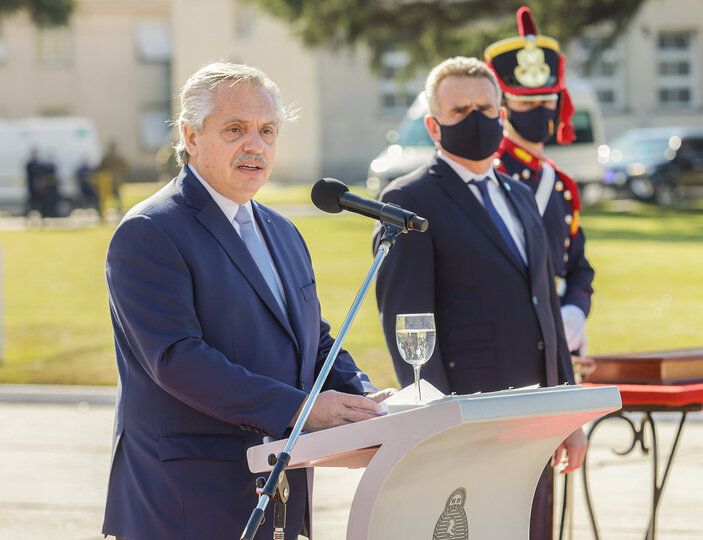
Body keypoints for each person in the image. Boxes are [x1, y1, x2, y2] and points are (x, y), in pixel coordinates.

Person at [102, 62, 392, 540]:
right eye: (235, 129)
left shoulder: (282, 230)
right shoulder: (149, 232)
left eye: (267, 131)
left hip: (278, 496)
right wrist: (303, 410)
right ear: (191, 137)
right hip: (185, 504)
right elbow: (177, 359)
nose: (254, 145)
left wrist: (364, 398)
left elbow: (312, 337)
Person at [373, 56, 587, 540]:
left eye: (487, 108)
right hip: (470, 422)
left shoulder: (517, 194)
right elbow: (408, 323)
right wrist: (439, 426)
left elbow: (546, 309)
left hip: (536, 422)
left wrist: (569, 412)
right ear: (433, 125)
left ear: (502, 115)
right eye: (459, 110)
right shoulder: (408, 201)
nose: (477, 119)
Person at [486, 6, 595, 360]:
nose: (542, 110)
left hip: (562, 333)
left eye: (548, 101)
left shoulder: (560, 182)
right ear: (504, 105)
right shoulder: (491, 174)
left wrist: (576, 309)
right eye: (528, 102)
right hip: (508, 336)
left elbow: (578, 265)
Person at [98, 140, 128, 212]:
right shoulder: (106, 157)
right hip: (107, 181)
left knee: (117, 196)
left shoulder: (119, 158)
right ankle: (103, 210)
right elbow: (101, 168)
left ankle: (119, 209)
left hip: (116, 180)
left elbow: (125, 167)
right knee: (104, 197)